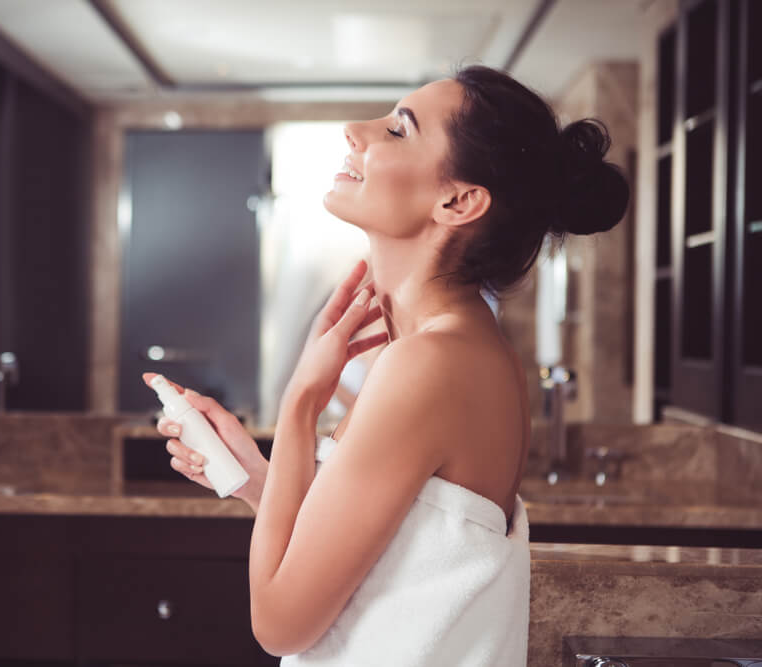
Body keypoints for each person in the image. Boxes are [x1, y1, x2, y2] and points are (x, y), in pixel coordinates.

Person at [142, 64, 629, 666]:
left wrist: (300, 405)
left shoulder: (430, 362)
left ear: (458, 200)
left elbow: (279, 624)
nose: (355, 130)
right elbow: (390, 557)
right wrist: (257, 481)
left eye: (398, 131)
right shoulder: (453, 347)